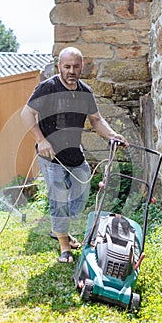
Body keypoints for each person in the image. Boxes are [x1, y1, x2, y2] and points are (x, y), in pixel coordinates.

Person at [21, 47, 128, 263]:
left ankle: (58, 228)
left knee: (81, 194)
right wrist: (41, 140)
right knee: (58, 198)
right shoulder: (47, 88)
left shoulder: (85, 92)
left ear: (82, 67)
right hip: (51, 156)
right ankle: (64, 246)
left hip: (74, 154)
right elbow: (27, 114)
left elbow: (96, 119)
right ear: (59, 66)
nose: (71, 70)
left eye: (75, 66)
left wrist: (113, 135)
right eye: (67, 66)